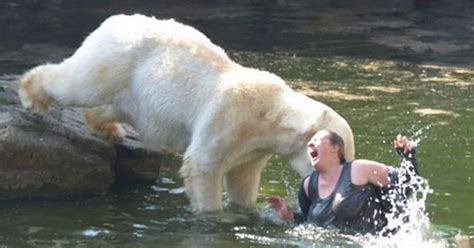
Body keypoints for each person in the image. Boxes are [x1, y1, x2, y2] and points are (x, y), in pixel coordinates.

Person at [267, 129, 419, 234]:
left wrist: (407, 157)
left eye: (316, 140)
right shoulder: (308, 185)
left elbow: (406, 186)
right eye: (309, 143)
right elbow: (308, 224)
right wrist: (289, 216)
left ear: (335, 147)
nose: (309, 145)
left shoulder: (360, 169)